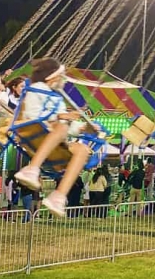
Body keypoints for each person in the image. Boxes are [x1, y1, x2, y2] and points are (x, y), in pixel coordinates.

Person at [14, 58, 100, 218]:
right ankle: (32, 169)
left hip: (53, 138)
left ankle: (59, 196)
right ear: (53, 76)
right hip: (34, 132)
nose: (64, 80)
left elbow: (68, 126)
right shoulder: (37, 89)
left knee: (82, 150)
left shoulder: (57, 98)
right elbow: (32, 115)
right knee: (62, 126)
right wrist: (61, 116)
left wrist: (85, 128)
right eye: (62, 76)